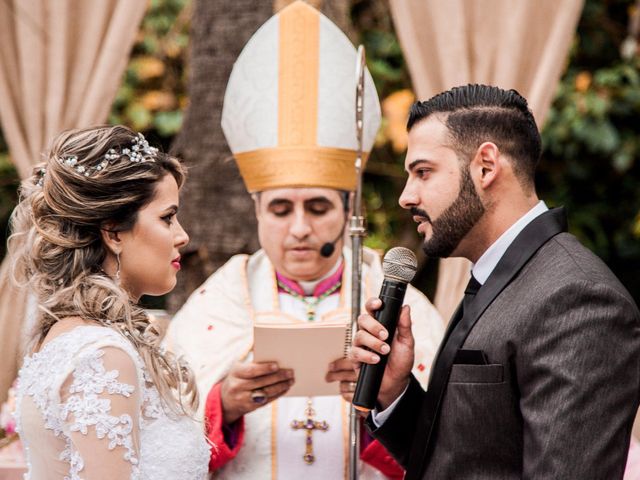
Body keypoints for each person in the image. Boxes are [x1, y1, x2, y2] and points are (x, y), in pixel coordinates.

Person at [165, 2, 444, 479]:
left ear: (347, 211)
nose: (298, 228)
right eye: (280, 209)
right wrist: (222, 407)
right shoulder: (216, 307)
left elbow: (448, 452)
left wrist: (383, 400)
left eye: (317, 207)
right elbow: (162, 452)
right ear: (256, 211)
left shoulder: (400, 307)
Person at [351, 84, 640, 479]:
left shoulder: (579, 299)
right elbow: (467, 460)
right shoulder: (497, 278)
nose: (405, 196)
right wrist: (395, 391)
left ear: (486, 166)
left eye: (422, 172)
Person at [8, 125, 210, 479]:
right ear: (114, 232)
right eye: (167, 217)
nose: (183, 236)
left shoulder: (71, 335)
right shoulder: (102, 355)